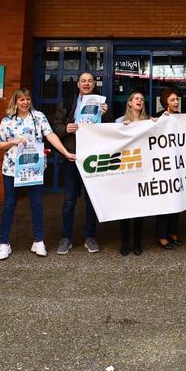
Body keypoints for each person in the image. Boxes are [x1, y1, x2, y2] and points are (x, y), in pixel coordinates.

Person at [0, 88, 75, 261]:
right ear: (15, 102)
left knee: (37, 205)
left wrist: (65, 152)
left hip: (34, 169)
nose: (25, 102)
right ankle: (4, 243)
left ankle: (38, 241)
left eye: (28, 99)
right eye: (21, 99)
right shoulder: (7, 120)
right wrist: (13, 141)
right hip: (12, 170)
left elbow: (50, 135)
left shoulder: (38, 117)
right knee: (9, 205)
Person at [57, 71, 107, 255]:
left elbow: (110, 130)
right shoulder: (67, 102)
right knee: (69, 201)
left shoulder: (101, 103)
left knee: (91, 201)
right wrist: (65, 128)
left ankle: (90, 237)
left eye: (90, 81)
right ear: (78, 84)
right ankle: (66, 238)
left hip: (92, 158)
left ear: (94, 84)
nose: (86, 84)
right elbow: (55, 127)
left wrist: (105, 115)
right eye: (83, 81)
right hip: (72, 156)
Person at [118, 91, 152, 256]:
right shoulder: (119, 121)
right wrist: (121, 129)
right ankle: (125, 242)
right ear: (130, 103)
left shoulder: (148, 121)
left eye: (142, 99)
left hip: (142, 169)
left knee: (139, 207)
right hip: (126, 168)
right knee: (124, 206)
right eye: (136, 98)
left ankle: (137, 242)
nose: (140, 101)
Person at [155, 87, 185, 249]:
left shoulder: (181, 117)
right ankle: (161, 235)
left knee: (176, 201)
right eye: (172, 100)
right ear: (165, 102)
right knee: (165, 202)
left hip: (178, 165)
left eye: (177, 99)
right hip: (164, 166)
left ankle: (173, 232)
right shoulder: (159, 118)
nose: (176, 102)